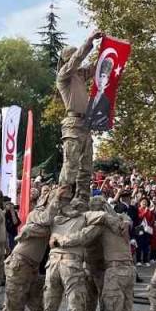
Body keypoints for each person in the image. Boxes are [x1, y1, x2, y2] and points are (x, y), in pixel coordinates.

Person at [40, 189, 96, 311]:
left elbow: (46, 214)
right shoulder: (84, 219)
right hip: (71, 264)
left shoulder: (55, 220)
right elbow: (100, 218)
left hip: (52, 265)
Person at [0, 193, 54, 311]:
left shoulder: (50, 218)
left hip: (33, 268)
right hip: (19, 265)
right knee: (14, 307)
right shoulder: (38, 213)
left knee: (38, 308)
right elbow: (45, 224)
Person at [56, 30, 102, 204]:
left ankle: (82, 200)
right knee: (71, 165)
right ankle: (62, 202)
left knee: (86, 167)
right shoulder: (64, 75)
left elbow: (97, 67)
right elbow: (76, 60)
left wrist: (108, 50)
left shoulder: (80, 76)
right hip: (73, 124)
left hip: (85, 123)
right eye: (74, 56)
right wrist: (89, 41)